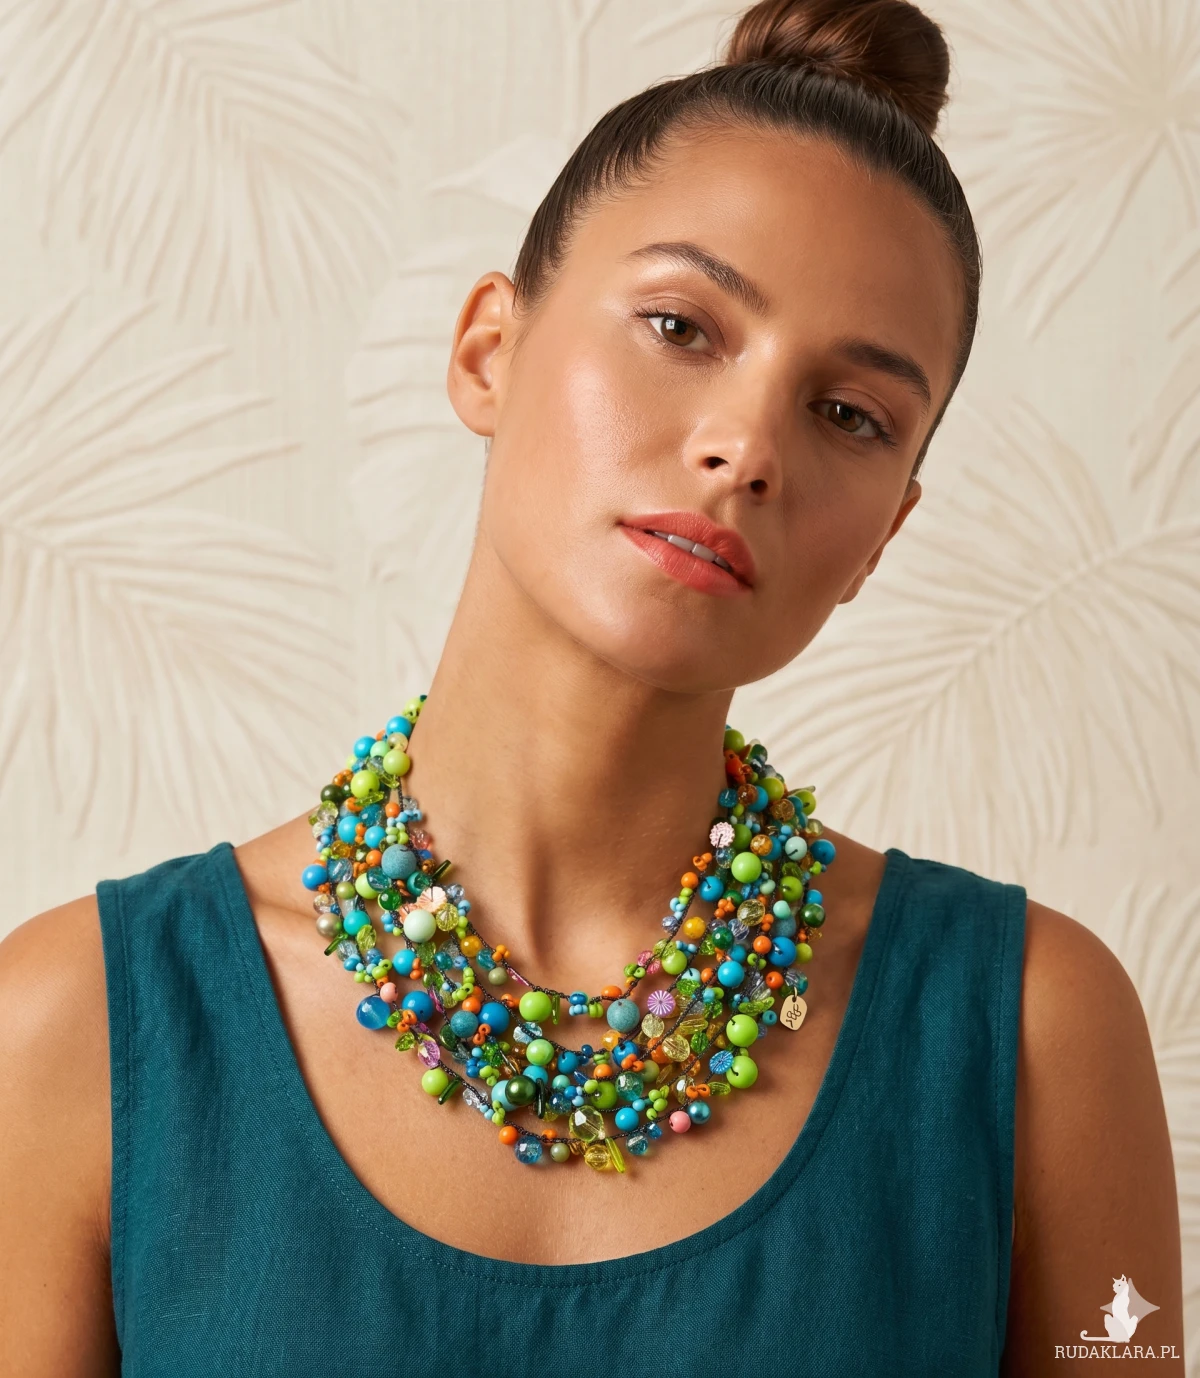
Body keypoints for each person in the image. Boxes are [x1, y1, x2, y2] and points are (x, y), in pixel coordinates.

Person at [0, 0, 1184, 1373]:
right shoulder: (80, 1028)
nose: (747, 446)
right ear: (487, 352)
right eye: (681, 325)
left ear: (886, 534)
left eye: (850, 414)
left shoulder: (1033, 1032)